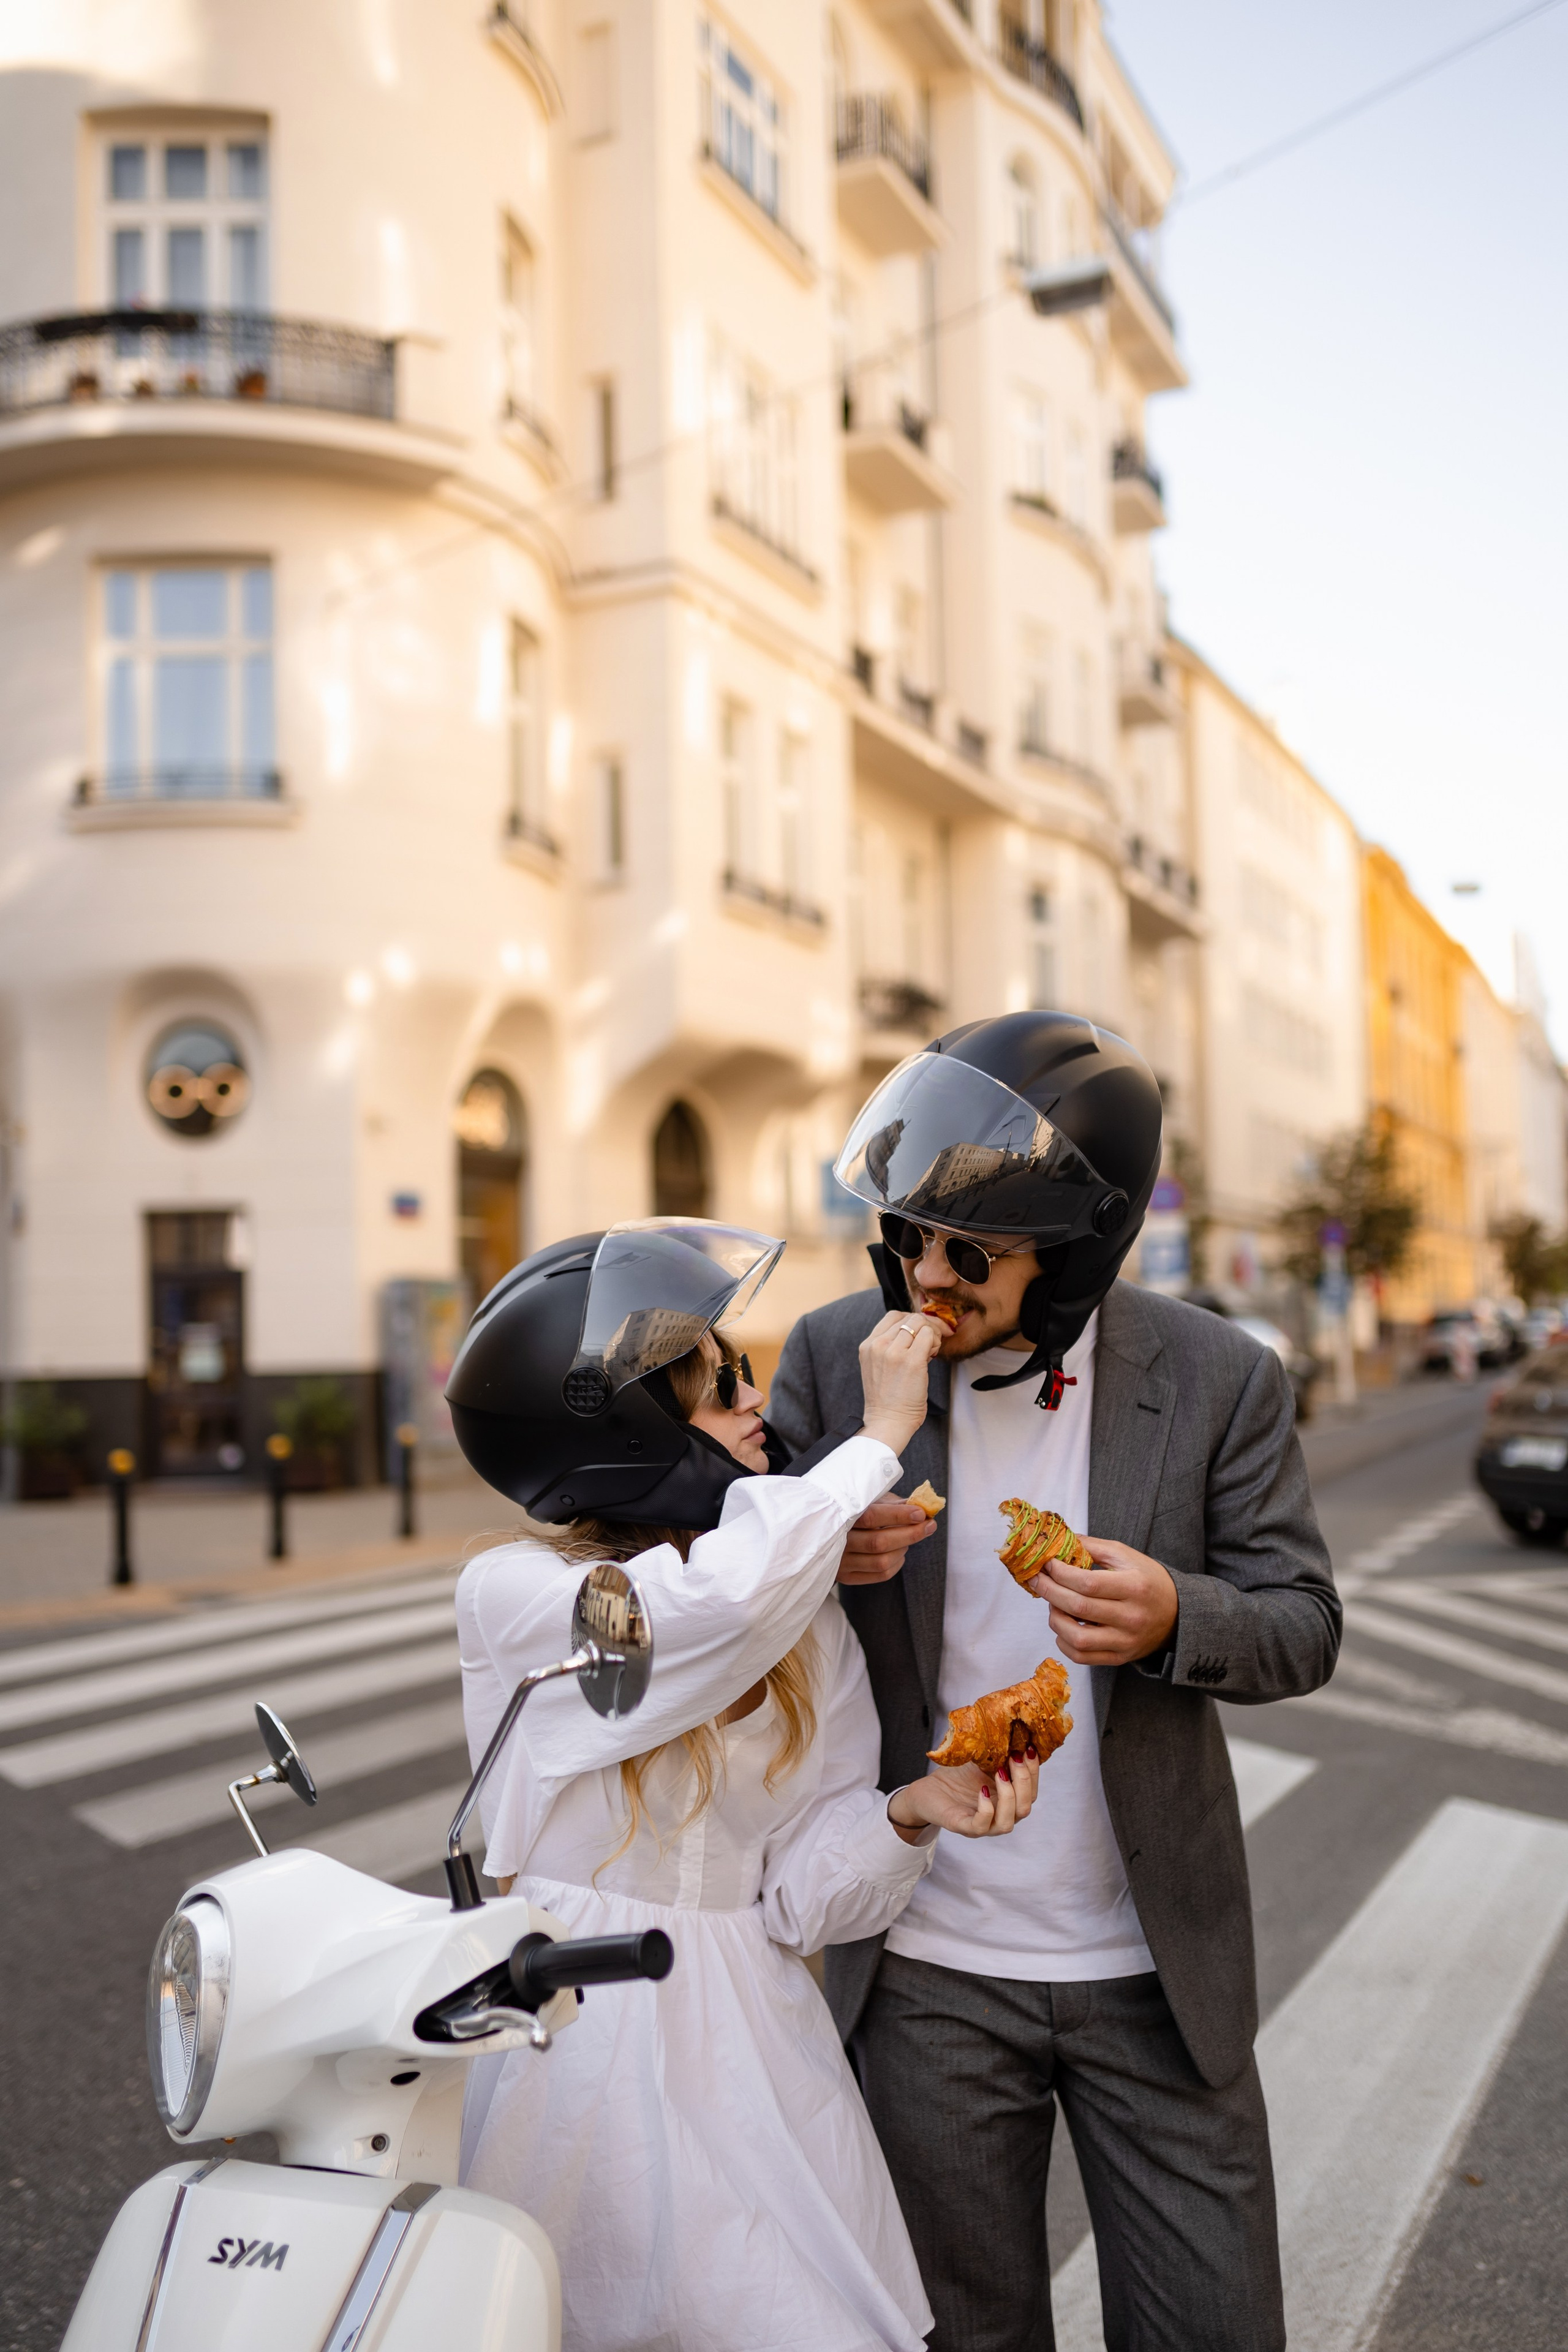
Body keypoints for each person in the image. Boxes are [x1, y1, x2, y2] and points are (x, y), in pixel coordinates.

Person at [768, 1011, 1342, 2352]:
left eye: (969, 1253)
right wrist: (814, 1553)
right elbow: (738, 1625)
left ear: (1073, 1257)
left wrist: (1169, 1618)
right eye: (904, 1234)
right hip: (922, 1970)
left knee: (1210, 2325)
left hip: (1148, 1963)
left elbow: (1302, 1624)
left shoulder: (1214, 1380)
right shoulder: (831, 1356)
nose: (924, 1275)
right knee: (962, 2333)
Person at [443, 1218, 1044, 2352]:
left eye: (743, 1365)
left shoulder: (803, 1622)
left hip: (754, 2054)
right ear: (623, 1427)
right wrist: (876, 1440)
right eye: (716, 1380)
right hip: (577, 2040)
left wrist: (909, 1816)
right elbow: (694, 1616)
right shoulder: (513, 1592)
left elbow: (804, 1902)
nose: (753, 1393)